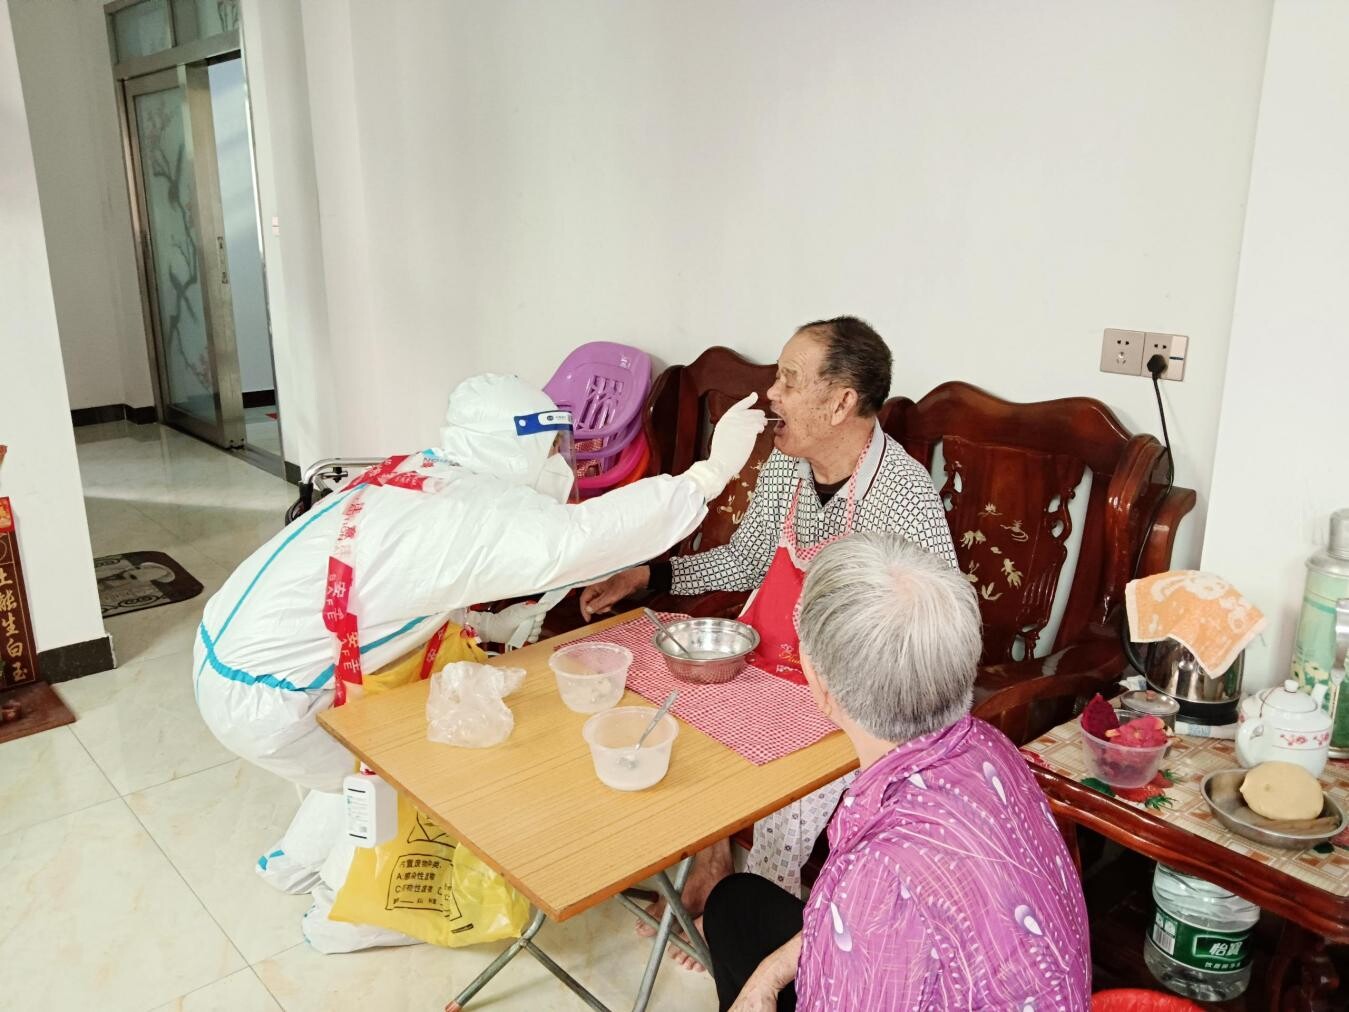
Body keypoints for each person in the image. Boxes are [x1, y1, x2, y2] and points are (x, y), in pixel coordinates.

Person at [193, 373, 764, 885]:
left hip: (229, 652)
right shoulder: (468, 512)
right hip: (270, 699)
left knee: (361, 773)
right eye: (550, 447)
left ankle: (294, 864)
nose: (560, 463)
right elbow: (578, 539)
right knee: (400, 777)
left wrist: (486, 621)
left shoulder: (423, 474)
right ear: (513, 447)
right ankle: (348, 909)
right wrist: (707, 476)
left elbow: (397, 583)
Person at [580, 317, 958, 953]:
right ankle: (710, 864)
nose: (771, 394)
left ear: (840, 402)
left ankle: (759, 925)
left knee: (789, 791)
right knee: (673, 704)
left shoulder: (902, 495)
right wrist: (650, 575)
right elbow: (746, 560)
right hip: (764, 652)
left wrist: (861, 699)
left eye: (789, 379)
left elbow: (935, 628)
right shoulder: (788, 464)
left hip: (846, 690)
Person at [703, 533, 1091, 1011]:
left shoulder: (878, 878)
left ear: (820, 686)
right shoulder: (990, 748)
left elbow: (880, 912)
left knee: (736, 912)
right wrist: (769, 975)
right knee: (735, 905)